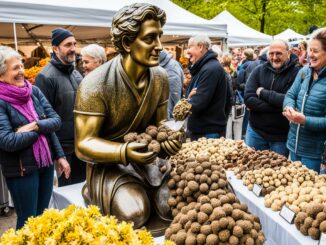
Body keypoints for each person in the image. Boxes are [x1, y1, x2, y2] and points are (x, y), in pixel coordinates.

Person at [74, 3, 181, 232]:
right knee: (135, 213)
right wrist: (123, 152)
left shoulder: (161, 78)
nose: (160, 47)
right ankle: (93, 190)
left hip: (149, 161)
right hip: (110, 166)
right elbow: (83, 144)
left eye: (159, 37)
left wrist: (169, 139)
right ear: (127, 43)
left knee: (171, 206)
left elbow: (159, 126)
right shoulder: (94, 85)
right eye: (150, 38)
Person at [0, 46, 70, 229]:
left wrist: (35, 126)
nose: (21, 71)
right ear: (1, 74)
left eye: (21, 66)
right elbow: (8, 141)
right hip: (21, 171)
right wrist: (41, 126)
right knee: (27, 221)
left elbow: (55, 122)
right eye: (15, 68)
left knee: (42, 219)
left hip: (45, 164)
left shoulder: (33, 91)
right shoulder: (1, 101)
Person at [35, 28, 85, 186]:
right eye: (67, 44)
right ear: (55, 48)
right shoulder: (45, 76)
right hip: (63, 152)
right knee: (66, 197)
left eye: (74, 44)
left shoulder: (76, 74)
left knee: (82, 193)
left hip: (81, 147)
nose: (73, 48)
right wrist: (58, 155)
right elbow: (44, 118)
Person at [244, 39, 300, 157]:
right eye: (271, 53)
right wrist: (279, 105)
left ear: (288, 53)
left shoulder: (297, 73)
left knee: (277, 174)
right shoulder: (258, 70)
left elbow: (291, 102)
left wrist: (263, 93)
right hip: (255, 132)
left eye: (278, 53)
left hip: (281, 137)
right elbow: (249, 99)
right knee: (250, 171)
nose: (274, 57)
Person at [283, 27, 326, 173]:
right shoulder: (304, 72)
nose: (310, 55)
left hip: (316, 153)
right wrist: (289, 107)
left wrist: (305, 120)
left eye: (315, 51)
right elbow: (290, 95)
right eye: (309, 50)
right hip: (294, 146)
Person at [185, 35, 229, 140]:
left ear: (200, 47)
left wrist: (188, 99)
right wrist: (189, 97)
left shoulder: (210, 69)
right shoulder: (204, 67)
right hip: (204, 130)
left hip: (207, 133)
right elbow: (190, 96)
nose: (187, 51)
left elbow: (196, 104)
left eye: (190, 47)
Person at [159, 49, 184, 120]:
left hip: (169, 114)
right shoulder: (166, 65)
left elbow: (175, 93)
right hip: (166, 111)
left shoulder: (171, 66)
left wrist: (176, 114)